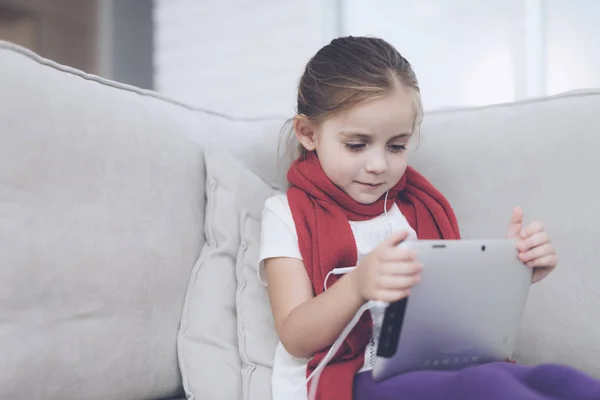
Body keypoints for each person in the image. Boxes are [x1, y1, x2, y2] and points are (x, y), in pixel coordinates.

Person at [258, 36, 598, 400]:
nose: (377, 166)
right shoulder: (286, 214)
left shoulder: (419, 207)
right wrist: (358, 285)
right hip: (349, 377)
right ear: (309, 133)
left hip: (436, 367)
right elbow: (295, 336)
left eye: (396, 146)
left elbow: (453, 318)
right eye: (356, 145)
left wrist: (513, 272)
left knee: (560, 380)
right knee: (489, 386)